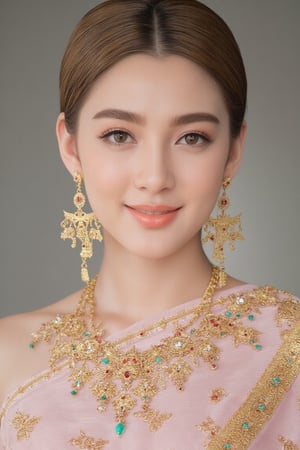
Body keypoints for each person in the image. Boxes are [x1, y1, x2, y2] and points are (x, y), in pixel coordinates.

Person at [0, 0, 299, 449]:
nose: (155, 177)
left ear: (233, 151)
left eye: (191, 137)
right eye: (119, 136)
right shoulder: (6, 354)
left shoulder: (289, 341)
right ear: (71, 146)